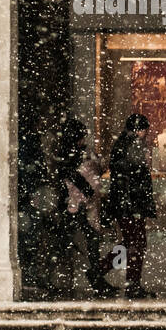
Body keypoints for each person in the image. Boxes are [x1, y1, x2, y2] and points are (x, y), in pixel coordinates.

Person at [58, 118, 116, 297]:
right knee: (90, 242)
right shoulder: (76, 155)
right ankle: (95, 277)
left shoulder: (75, 154)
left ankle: (95, 276)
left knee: (88, 242)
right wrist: (88, 191)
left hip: (81, 203)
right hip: (81, 204)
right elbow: (76, 176)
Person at [106, 114, 156, 299]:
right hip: (131, 204)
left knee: (131, 243)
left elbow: (124, 176)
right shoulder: (133, 145)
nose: (145, 134)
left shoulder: (123, 144)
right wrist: (136, 205)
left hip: (126, 204)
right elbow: (134, 177)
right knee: (136, 244)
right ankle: (130, 282)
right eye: (144, 130)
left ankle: (121, 277)